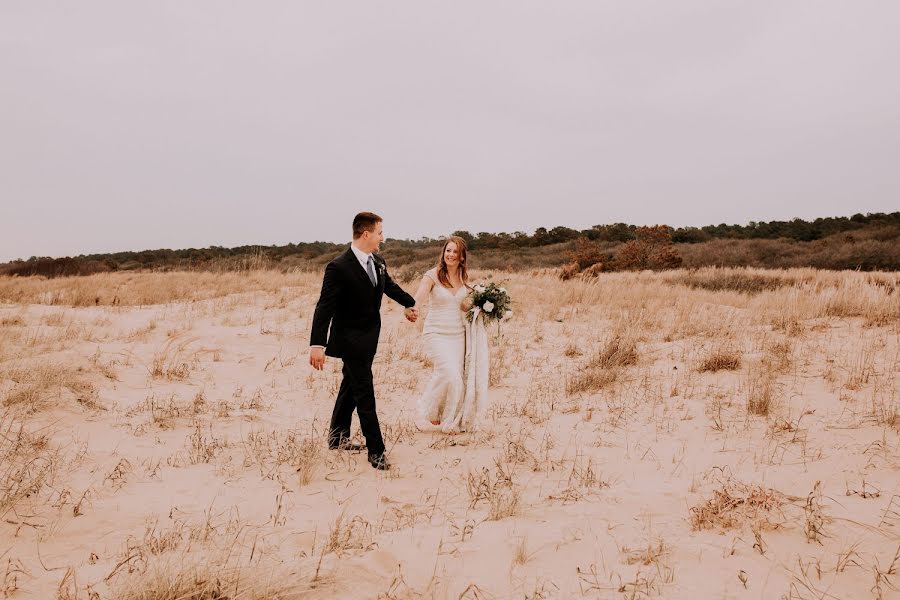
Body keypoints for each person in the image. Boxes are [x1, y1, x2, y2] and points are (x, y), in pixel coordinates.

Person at [309, 212, 417, 470]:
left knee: (351, 384)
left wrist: (410, 303)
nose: (383, 237)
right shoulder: (338, 267)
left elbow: (389, 286)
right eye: (380, 232)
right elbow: (324, 307)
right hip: (350, 340)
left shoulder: (377, 261)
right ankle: (376, 450)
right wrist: (317, 344)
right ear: (366, 234)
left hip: (371, 337)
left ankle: (337, 438)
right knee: (364, 391)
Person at [412, 236, 488, 434]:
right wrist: (415, 308)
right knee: (450, 374)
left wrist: (486, 305)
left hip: (458, 335)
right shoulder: (432, 275)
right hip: (436, 332)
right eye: (448, 250)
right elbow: (420, 295)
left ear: (462, 257)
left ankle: (444, 416)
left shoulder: (464, 280)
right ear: (443, 253)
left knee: (455, 376)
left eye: (455, 252)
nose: (451, 255)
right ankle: (422, 413)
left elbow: (464, 306)